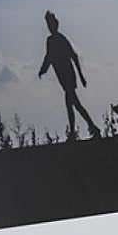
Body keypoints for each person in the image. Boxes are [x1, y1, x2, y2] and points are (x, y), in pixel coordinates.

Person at [38, 10, 100, 140]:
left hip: (68, 76)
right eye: (48, 25)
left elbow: (73, 56)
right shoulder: (50, 40)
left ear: (55, 25)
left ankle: (76, 132)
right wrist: (43, 69)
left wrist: (81, 76)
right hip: (62, 77)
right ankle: (90, 128)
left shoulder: (61, 39)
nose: (49, 27)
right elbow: (49, 57)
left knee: (71, 104)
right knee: (75, 105)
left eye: (51, 24)